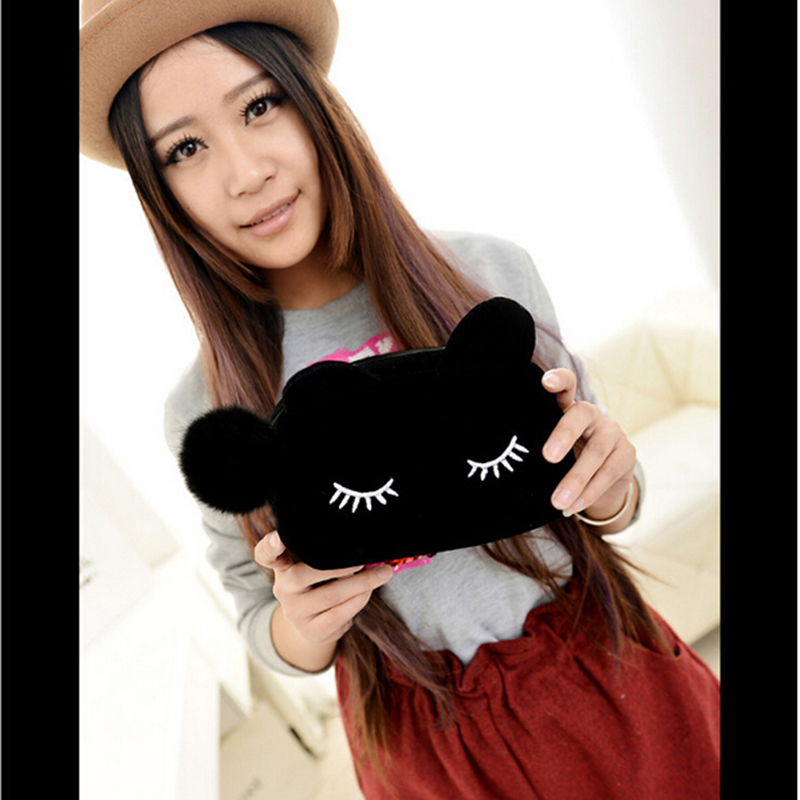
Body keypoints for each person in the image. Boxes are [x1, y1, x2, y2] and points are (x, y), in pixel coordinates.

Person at [79, 1, 721, 797]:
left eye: (259, 105)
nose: (245, 173)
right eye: (185, 148)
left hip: (604, 669)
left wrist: (611, 483)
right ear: (160, 191)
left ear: (312, 100)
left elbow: (605, 489)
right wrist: (301, 621)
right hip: (420, 731)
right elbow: (257, 615)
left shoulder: (487, 275)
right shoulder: (209, 406)